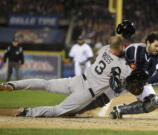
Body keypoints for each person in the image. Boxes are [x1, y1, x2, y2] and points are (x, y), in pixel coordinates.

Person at [0, 36, 132, 117]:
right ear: (120, 47)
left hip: (77, 80)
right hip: (86, 92)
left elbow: (107, 51)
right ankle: (27, 112)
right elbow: (130, 78)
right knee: (59, 110)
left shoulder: (104, 49)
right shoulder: (120, 65)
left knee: (46, 84)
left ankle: (13, 84)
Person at [109, 32, 158, 119]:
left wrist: (145, 82)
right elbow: (118, 59)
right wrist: (114, 74)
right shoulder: (134, 49)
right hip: (126, 76)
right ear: (148, 43)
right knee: (105, 89)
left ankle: (120, 110)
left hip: (142, 80)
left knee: (153, 103)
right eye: (156, 46)